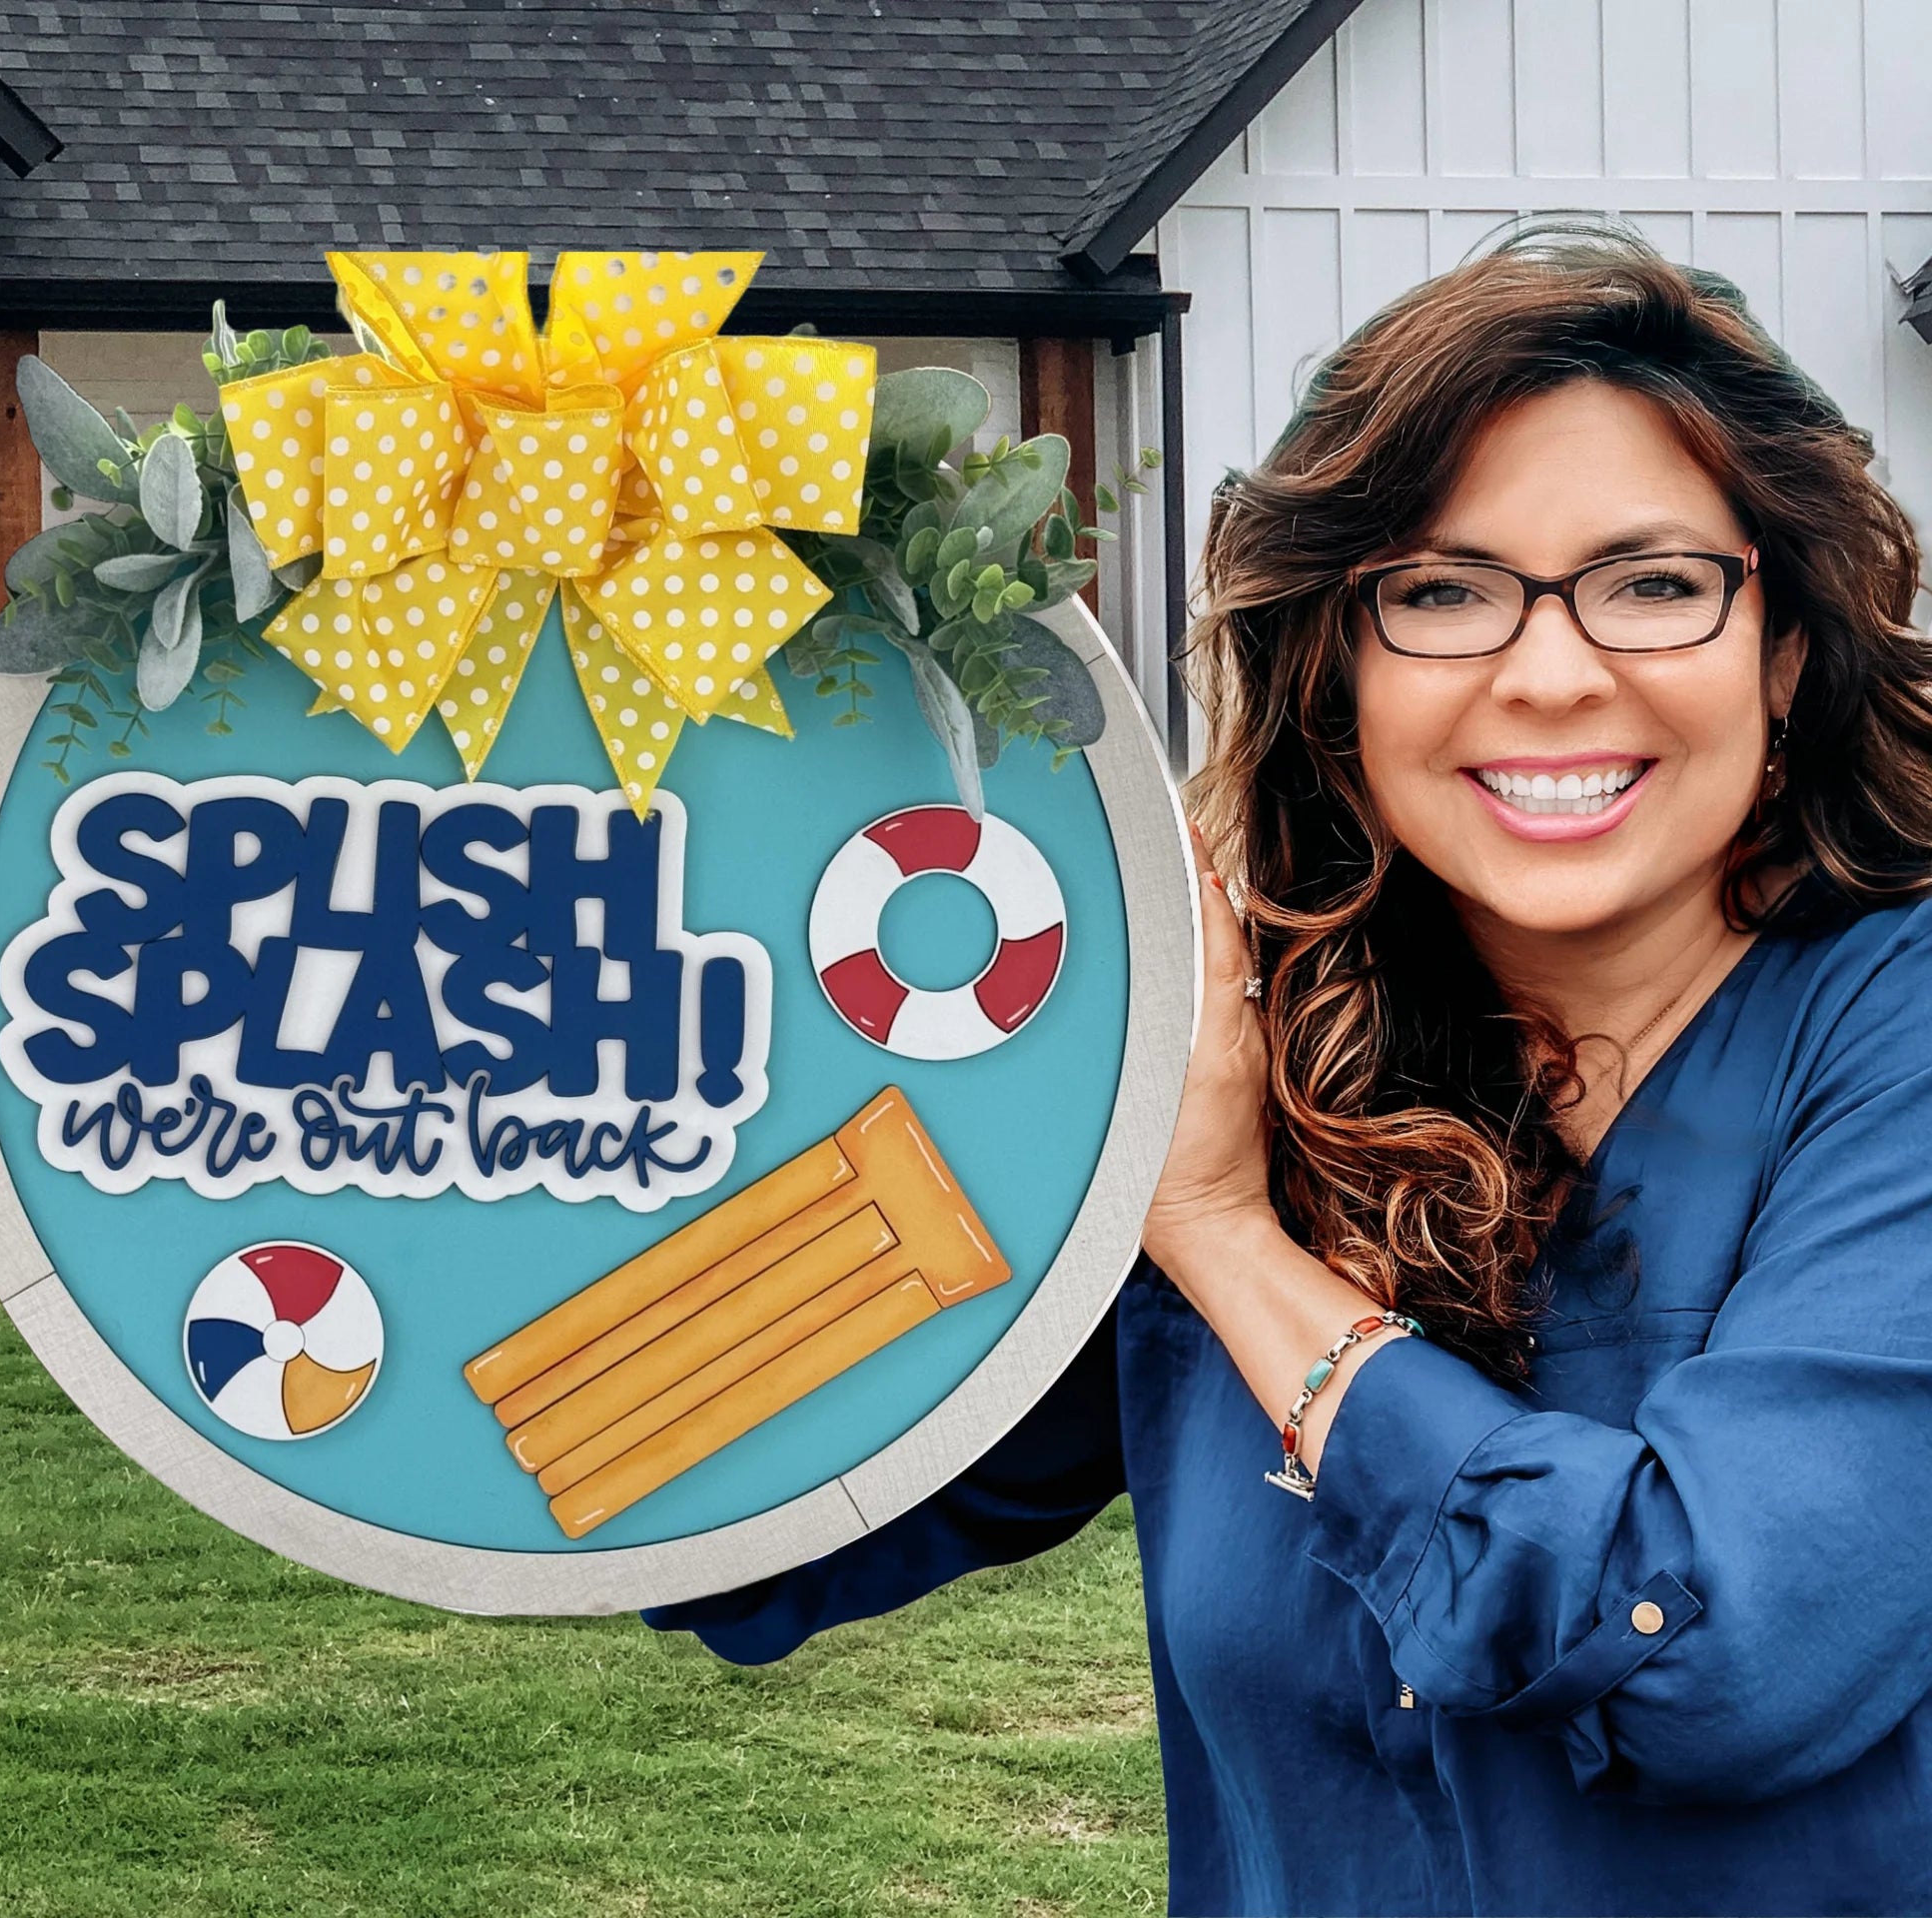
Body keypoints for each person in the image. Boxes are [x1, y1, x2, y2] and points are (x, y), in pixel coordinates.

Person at [646, 226, 1932, 1915]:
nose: (1552, 674)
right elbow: (768, 1518)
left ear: (1783, 652)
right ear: (1338, 674)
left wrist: (1225, 1237)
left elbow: (1714, 1655)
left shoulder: (1891, 1040)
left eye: (1653, 584)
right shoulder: (1244, 1051)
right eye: (1443, 592)